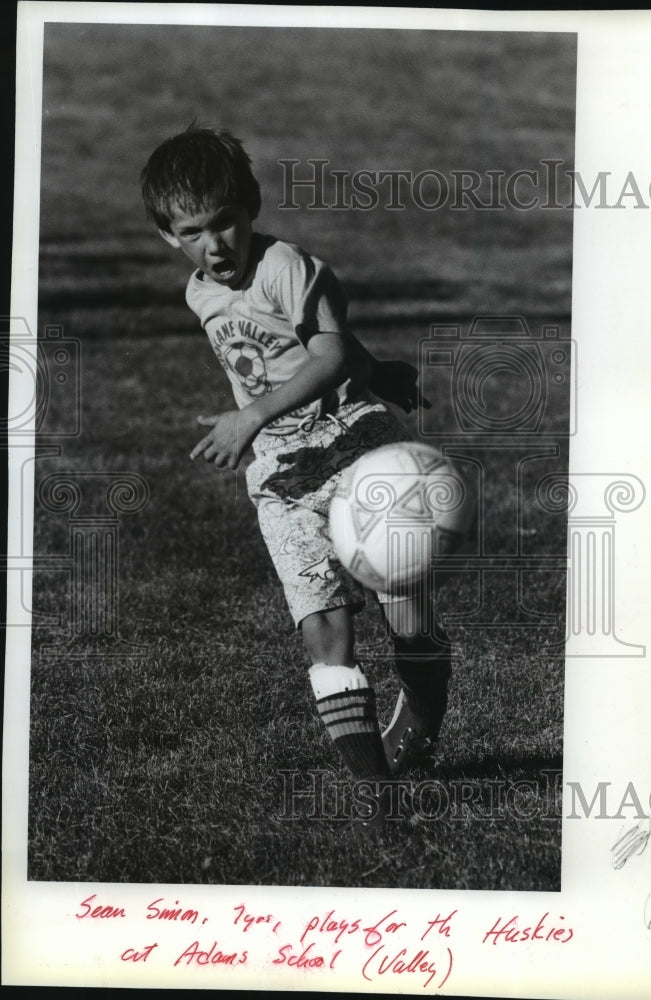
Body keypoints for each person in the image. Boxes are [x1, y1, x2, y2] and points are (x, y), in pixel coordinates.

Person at [140, 125, 452, 828]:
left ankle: (424, 719)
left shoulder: (284, 264)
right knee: (323, 628)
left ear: (249, 207)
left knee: (406, 612)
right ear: (169, 236)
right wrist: (380, 368)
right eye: (193, 231)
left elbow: (329, 351)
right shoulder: (200, 294)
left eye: (226, 222)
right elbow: (317, 341)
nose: (214, 244)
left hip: (352, 447)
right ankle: (381, 798)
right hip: (282, 476)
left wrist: (251, 417)